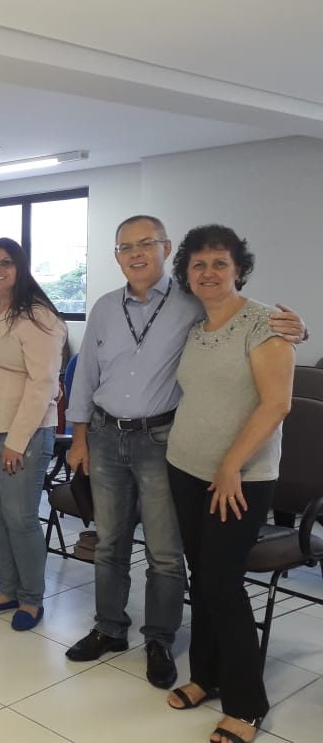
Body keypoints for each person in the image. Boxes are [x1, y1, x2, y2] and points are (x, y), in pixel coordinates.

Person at [65, 215, 305, 688]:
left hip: (162, 442)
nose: (135, 254)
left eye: (145, 244)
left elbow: (250, 323)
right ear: (116, 255)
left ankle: (159, 638)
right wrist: (78, 437)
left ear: (164, 248)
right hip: (106, 436)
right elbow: (86, 375)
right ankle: (109, 628)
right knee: (109, 541)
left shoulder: (195, 303)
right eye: (125, 247)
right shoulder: (104, 307)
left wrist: (296, 328)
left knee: (166, 552)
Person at [164, 225, 294, 743]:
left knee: (223, 585)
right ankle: (205, 675)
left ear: (238, 268)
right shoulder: (196, 327)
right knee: (203, 577)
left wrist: (230, 465)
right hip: (186, 467)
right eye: (199, 265)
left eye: (219, 263)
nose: (209, 273)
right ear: (187, 274)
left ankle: (247, 703)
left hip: (238, 479)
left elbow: (277, 404)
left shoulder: (266, 324)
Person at [0, 238, 66, 630]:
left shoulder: (38, 316)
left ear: (20, 266)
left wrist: (16, 440)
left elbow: (44, 385)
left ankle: (32, 599)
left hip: (21, 430)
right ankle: (7, 589)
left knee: (21, 517)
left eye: (5, 262)